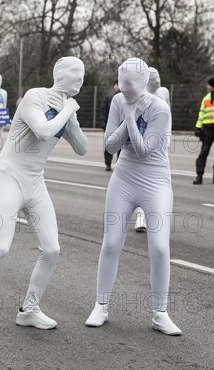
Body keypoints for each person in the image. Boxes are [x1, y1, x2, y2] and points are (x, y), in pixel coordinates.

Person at [0, 57, 88, 336]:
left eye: (83, 73)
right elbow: (43, 131)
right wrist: (68, 110)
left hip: (35, 181)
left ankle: (29, 310)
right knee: (0, 247)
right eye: (75, 72)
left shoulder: (67, 108)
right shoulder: (35, 96)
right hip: (10, 177)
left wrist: (71, 117)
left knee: (52, 249)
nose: (80, 78)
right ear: (58, 74)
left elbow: (83, 149)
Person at [85, 58, 181, 336]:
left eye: (128, 83)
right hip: (124, 178)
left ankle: (160, 313)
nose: (123, 87)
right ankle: (101, 305)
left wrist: (128, 118)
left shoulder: (159, 108)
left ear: (142, 83)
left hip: (155, 181)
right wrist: (125, 113)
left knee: (160, 248)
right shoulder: (118, 101)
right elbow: (110, 144)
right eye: (120, 81)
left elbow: (144, 150)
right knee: (112, 242)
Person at [133, 67, 172, 233]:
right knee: (142, 182)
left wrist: (167, 138)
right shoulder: (138, 96)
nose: (156, 81)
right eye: (153, 79)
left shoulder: (163, 92)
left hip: (161, 148)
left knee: (162, 183)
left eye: (158, 78)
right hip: (143, 146)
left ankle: (158, 217)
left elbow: (168, 116)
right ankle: (141, 218)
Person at [101, 81, 120, 171]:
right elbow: (104, 111)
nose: (116, 86)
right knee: (109, 144)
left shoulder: (126, 97)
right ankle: (108, 163)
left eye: (118, 84)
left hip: (120, 125)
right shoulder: (110, 97)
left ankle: (120, 164)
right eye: (116, 84)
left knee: (122, 147)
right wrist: (104, 123)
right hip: (111, 124)